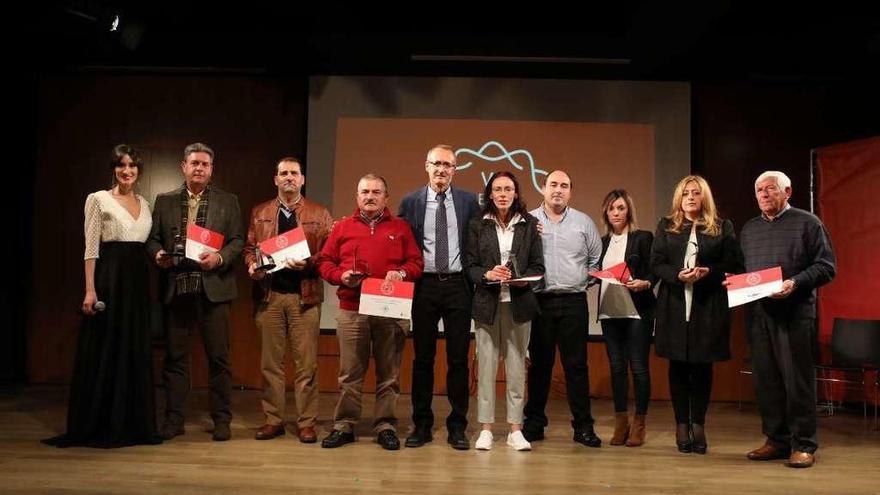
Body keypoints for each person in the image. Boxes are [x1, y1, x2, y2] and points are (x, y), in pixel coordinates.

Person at [43, 144, 161, 448]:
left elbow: (145, 246)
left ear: (138, 170)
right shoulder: (98, 200)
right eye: (121, 165)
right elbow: (91, 248)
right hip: (109, 281)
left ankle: (133, 425)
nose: (127, 171)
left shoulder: (145, 204)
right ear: (113, 169)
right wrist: (90, 289)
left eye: (133, 166)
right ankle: (102, 423)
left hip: (137, 285)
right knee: (107, 349)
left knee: (132, 350)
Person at [316, 174, 423, 450]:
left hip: (391, 309)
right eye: (365, 191)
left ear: (386, 197)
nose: (370, 196)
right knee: (350, 373)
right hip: (352, 309)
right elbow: (325, 262)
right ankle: (344, 425)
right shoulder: (342, 228)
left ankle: (385, 425)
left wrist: (401, 272)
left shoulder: (400, 227)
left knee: (389, 374)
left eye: (376, 192)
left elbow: (416, 262)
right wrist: (341, 276)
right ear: (357, 196)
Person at [146, 142, 245, 442]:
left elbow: (238, 241)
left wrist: (220, 258)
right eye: (194, 163)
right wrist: (158, 255)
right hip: (177, 288)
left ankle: (222, 420)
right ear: (183, 167)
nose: (199, 168)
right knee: (175, 358)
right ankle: (174, 419)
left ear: (211, 169)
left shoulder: (229, 201)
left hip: (213, 289)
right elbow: (152, 240)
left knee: (219, 359)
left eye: (205, 164)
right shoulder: (164, 201)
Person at [740, 171, 836, 469]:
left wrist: (794, 283)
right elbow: (745, 271)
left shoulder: (808, 223)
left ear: (788, 191)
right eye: (759, 190)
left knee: (797, 382)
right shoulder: (749, 229)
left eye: (770, 189)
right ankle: (777, 440)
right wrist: (734, 283)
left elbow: (826, 266)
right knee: (766, 380)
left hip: (795, 314)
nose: (764, 194)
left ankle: (803, 444)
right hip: (759, 314)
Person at [243, 157, 333, 443]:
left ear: (302, 180)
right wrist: (251, 266)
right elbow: (249, 248)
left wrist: (308, 263)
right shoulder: (260, 212)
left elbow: (330, 253)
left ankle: (306, 423)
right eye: (284, 173)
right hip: (270, 296)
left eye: (294, 173)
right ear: (276, 179)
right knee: (271, 365)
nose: (289, 178)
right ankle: (273, 420)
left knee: (306, 365)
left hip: (304, 298)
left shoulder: (320, 213)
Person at [651, 175, 743, 455]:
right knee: (678, 366)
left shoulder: (722, 226)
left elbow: (734, 264)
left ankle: (699, 425)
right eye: (685, 193)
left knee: (703, 367)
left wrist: (709, 272)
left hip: (708, 305)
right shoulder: (667, 226)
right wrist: (677, 275)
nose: (690, 197)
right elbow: (656, 263)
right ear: (679, 198)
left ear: (705, 197)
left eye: (696, 193)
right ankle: (681, 425)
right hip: (675, 304)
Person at [398, 145, 480, 450]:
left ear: (455, 170)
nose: (442, 170)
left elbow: (486, 234)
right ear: (426, 166)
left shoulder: (469, 201)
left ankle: (458, 426)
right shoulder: (411, 201)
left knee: (458, 359)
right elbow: (399, 242)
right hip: (425, 286)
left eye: (448, 165)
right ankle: (422, 424)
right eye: (437, 164)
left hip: (458, 285)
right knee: (423, 359)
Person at [522, 170, 603, 447]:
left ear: (571, 191)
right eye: (553, 184)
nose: (558, 190)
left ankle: (583, 427)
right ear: (542, 188)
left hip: (573, 302)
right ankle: (534, 423)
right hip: (540, 302)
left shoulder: (584, 222)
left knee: (576, 367)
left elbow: (596, 259)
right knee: (539, 367)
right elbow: (519, 256)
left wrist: (581, 281)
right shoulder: (529, 221)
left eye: (564, 186)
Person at [466, 171, 544, 451]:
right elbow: (470, 266)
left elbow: (539, 266)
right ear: (489, 194)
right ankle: (485, 428)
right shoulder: (477, 224)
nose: (502, 194)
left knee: (516, 367)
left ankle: (515, 429)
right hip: (487, 304)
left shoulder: (530, 224)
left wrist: (523, 278)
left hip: (519, 304)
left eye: (507, 189)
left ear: (516, 193)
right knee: (485, 368)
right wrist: (487, 274)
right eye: (497, 189)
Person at [596, 189, 656, 447]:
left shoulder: (643, 238)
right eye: (612, 209)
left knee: (639, 368)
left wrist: (647, 282)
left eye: (621, 208)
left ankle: (639, 424)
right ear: (606, 213)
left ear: (628, 210)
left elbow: (655, 269)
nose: (616, 213)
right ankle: (621, 423)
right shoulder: (602, 242)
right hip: (609, 312)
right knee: (617, 368)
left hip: (637, 311)